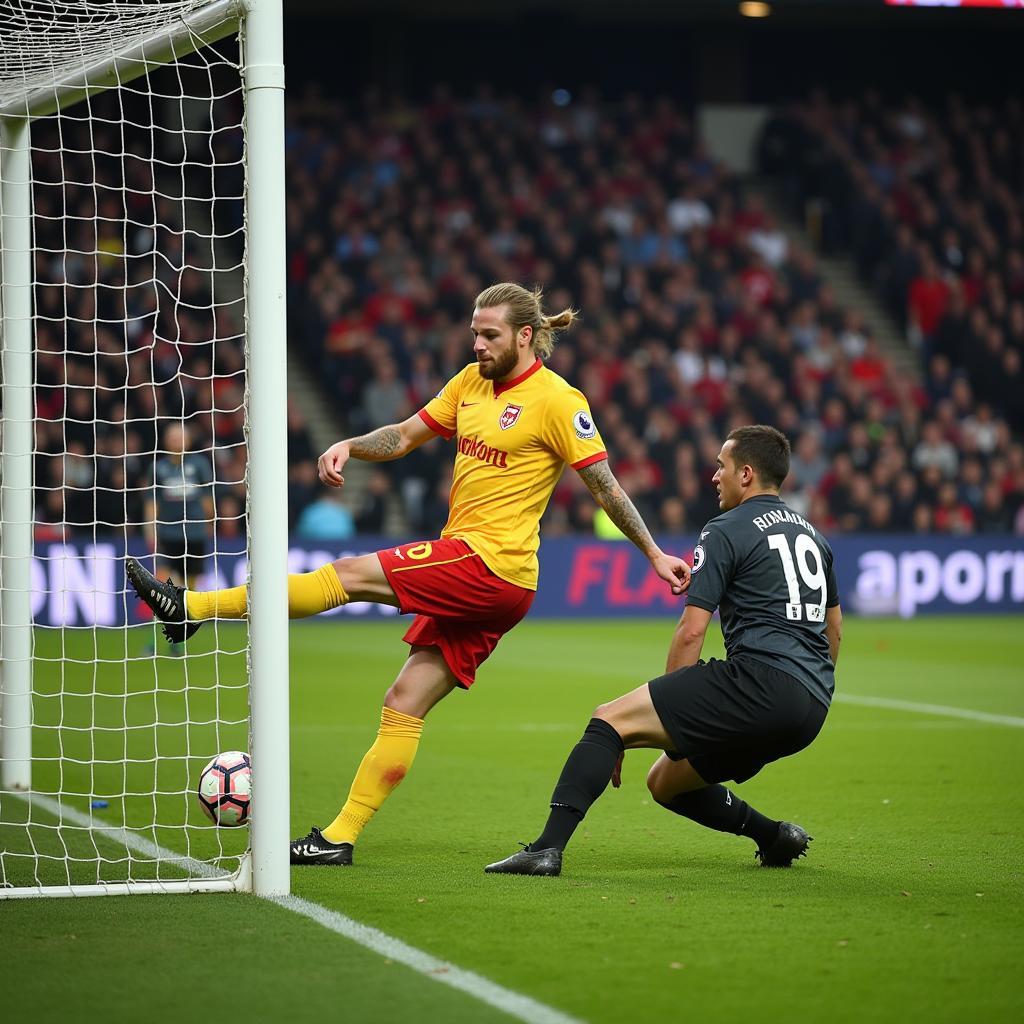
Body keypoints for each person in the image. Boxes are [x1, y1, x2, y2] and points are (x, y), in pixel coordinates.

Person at [127, 282, 690, 866]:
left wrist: (652, 553)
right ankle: (338, 839)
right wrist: (351, 444)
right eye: (474, 332)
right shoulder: (468, 384)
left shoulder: (559, 401)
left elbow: (604, 485)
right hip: (487, 576)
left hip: (490, 564)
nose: (477, 344)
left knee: (347, 573)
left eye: (489, 335)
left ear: (525, 336)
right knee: (404, 700)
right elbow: (403, 435)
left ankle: (190, 609)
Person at [486, 425, 842, 877]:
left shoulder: (727, 528)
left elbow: (692, 631)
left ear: (746, 474)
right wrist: (813, 688)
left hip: (760, 684)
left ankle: (545, 849)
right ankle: (774, 837)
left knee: (609, 720)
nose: (715, 476)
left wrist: (671, 717)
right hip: (811, 707)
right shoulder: (815, 536)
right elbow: (834, 629)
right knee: (665, 782)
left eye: (721, 467)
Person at [144, 422, 214, 653]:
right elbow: (151, 503)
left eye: (180, 437)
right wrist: (150, 530)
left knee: (188, 591)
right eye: (173, 437)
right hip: (167, 534)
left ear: (188, 440)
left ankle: (180, 639)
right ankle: (155, 640)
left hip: (194, 534)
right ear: (166, 441)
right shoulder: (158, 469)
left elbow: (207, 501)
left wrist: (209, 526)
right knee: (161, 586)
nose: (177, 441)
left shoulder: (200, 465)